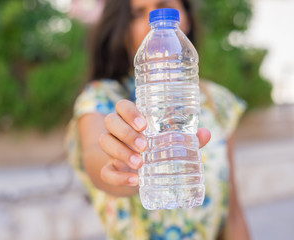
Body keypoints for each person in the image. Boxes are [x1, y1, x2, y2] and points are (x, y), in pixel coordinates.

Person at [67, 0, 250, 239]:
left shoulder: (217, 102)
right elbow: (94, 155)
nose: (152, 21)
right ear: (120, 28)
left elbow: (233, 214)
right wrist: (125, 162)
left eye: (163, 5)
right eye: (136, 14)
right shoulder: (101, 97)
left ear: (186, 15)